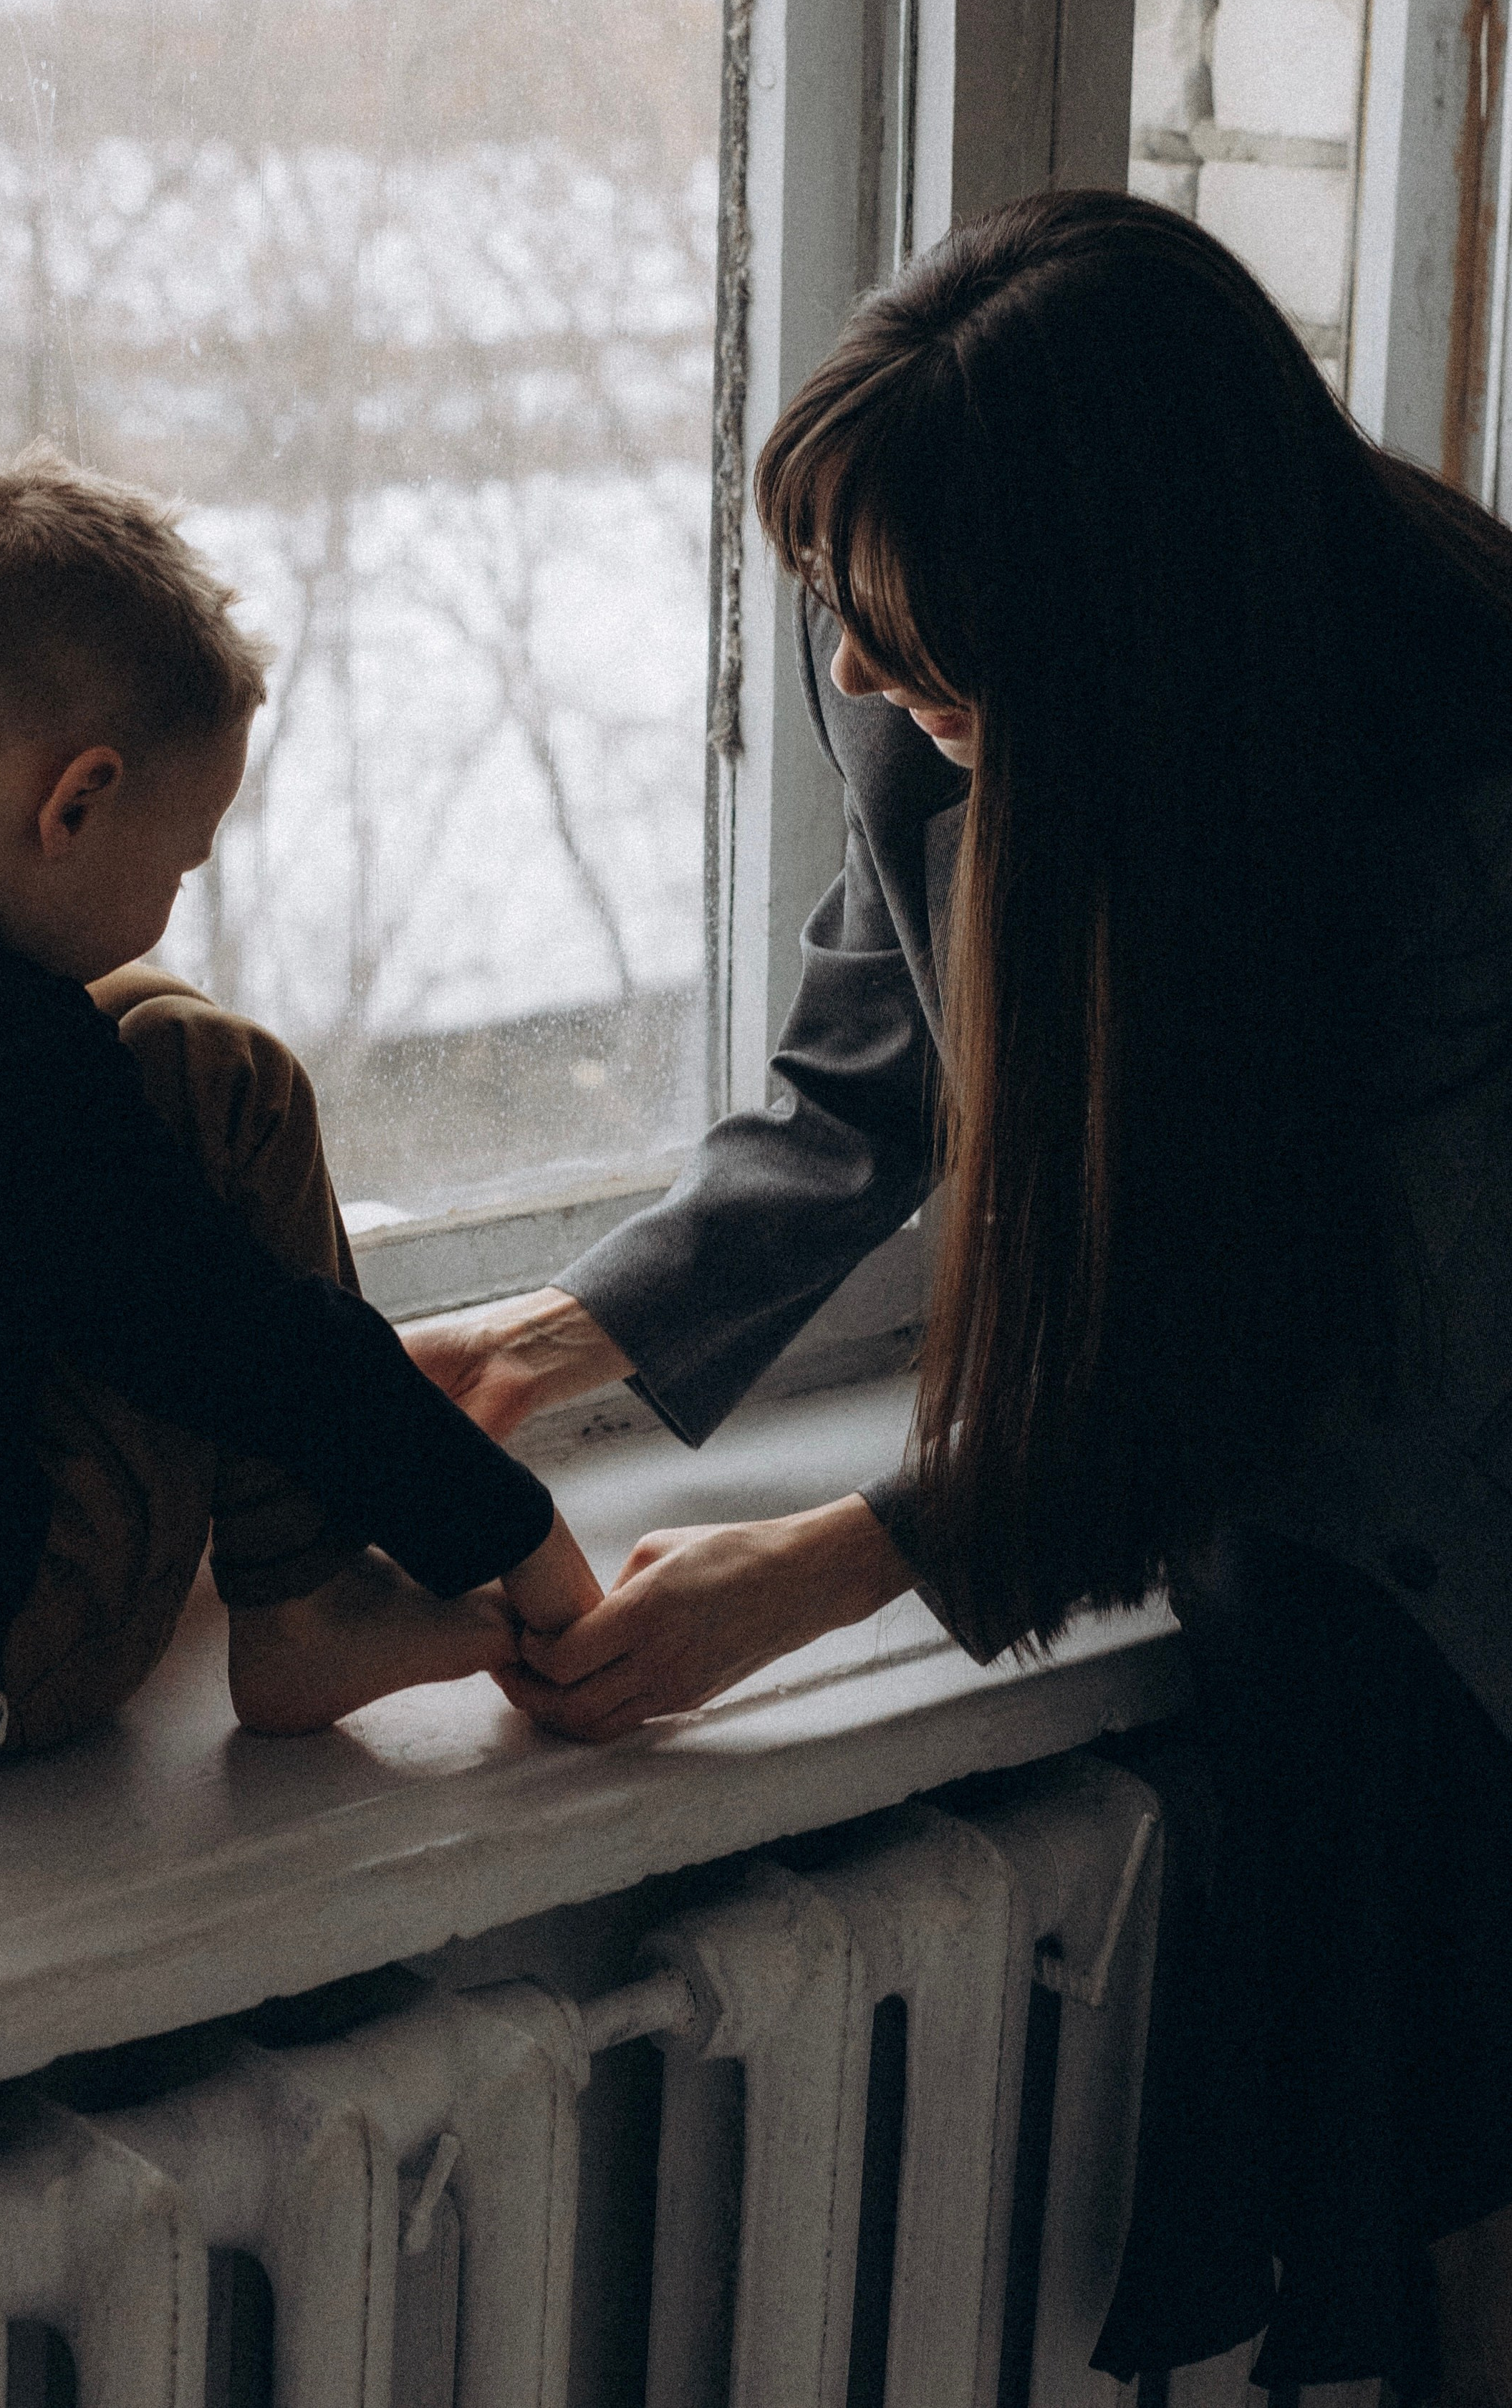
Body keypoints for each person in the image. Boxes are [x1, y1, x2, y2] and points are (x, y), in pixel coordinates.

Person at [404, 193, 1512, 2402]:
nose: (850, 680)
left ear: (1125, 659)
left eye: (910, 648)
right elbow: (887, 1039)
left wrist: (828, 1565)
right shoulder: (954, 632)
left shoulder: (1448, 802)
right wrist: (553, 1333)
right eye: (833, 605)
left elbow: (1322, 1375)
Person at [0, 446, 599, 1761]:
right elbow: (257, 1340)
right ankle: (306, 1609)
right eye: (181, 857)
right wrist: (528, 1542)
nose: (176, 896)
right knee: (215, 1069)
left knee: (136, 1012)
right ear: (78, 799)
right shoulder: (9, 1074)